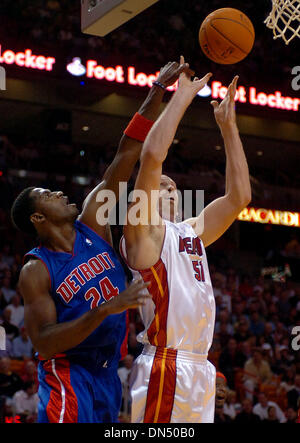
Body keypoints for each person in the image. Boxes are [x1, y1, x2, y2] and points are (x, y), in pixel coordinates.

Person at [11, 60, 190, 423]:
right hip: (69, 374)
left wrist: (157, 90)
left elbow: (126, 154)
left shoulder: (93, 220)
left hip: (108, 375)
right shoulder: (36, 269)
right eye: (47, 194)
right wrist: (106, 309)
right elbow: (44, 342)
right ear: (37, 218)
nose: (59, 192)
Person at [120, 60, 251, 423]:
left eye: (174, 186)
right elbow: (151, 156)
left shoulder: (191, 231)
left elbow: (239, 197)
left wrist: (228, 127)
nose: (170, 188)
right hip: (165, 365)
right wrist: (180, 97)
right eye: (163, 185)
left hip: (200, 369)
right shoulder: (143, 232)